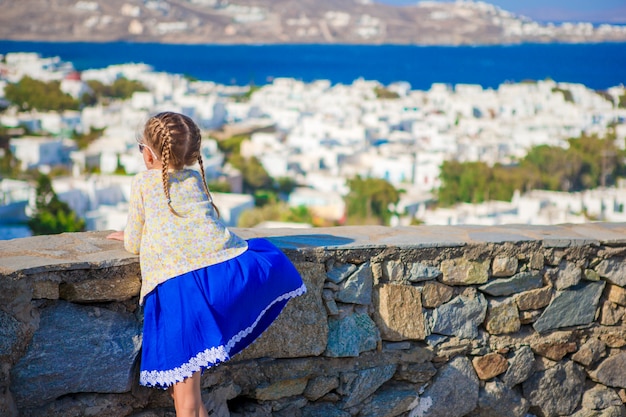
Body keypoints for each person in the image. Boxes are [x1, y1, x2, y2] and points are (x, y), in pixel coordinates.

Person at [107, 111, 306, 417]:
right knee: (185, 392)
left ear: (148, 155)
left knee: (185, 398)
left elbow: (133, 243)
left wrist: (130, 236)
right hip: (220, 276)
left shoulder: (143, 184)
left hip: (181, 291)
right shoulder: (194, 178)